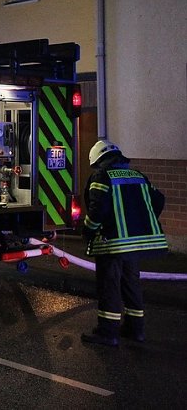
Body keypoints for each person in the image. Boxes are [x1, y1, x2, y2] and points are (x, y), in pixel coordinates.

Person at [81, 140, 168, 346]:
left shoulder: (102, 177)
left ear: (99, 160)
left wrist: (88, 231)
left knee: (109, 286)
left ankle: (108, 332)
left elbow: (97, 210)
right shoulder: (138, 176)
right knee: (131, 284)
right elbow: (159, 199)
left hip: (112, 244)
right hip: (135, 245)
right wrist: (141, 221)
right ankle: (135, 329)